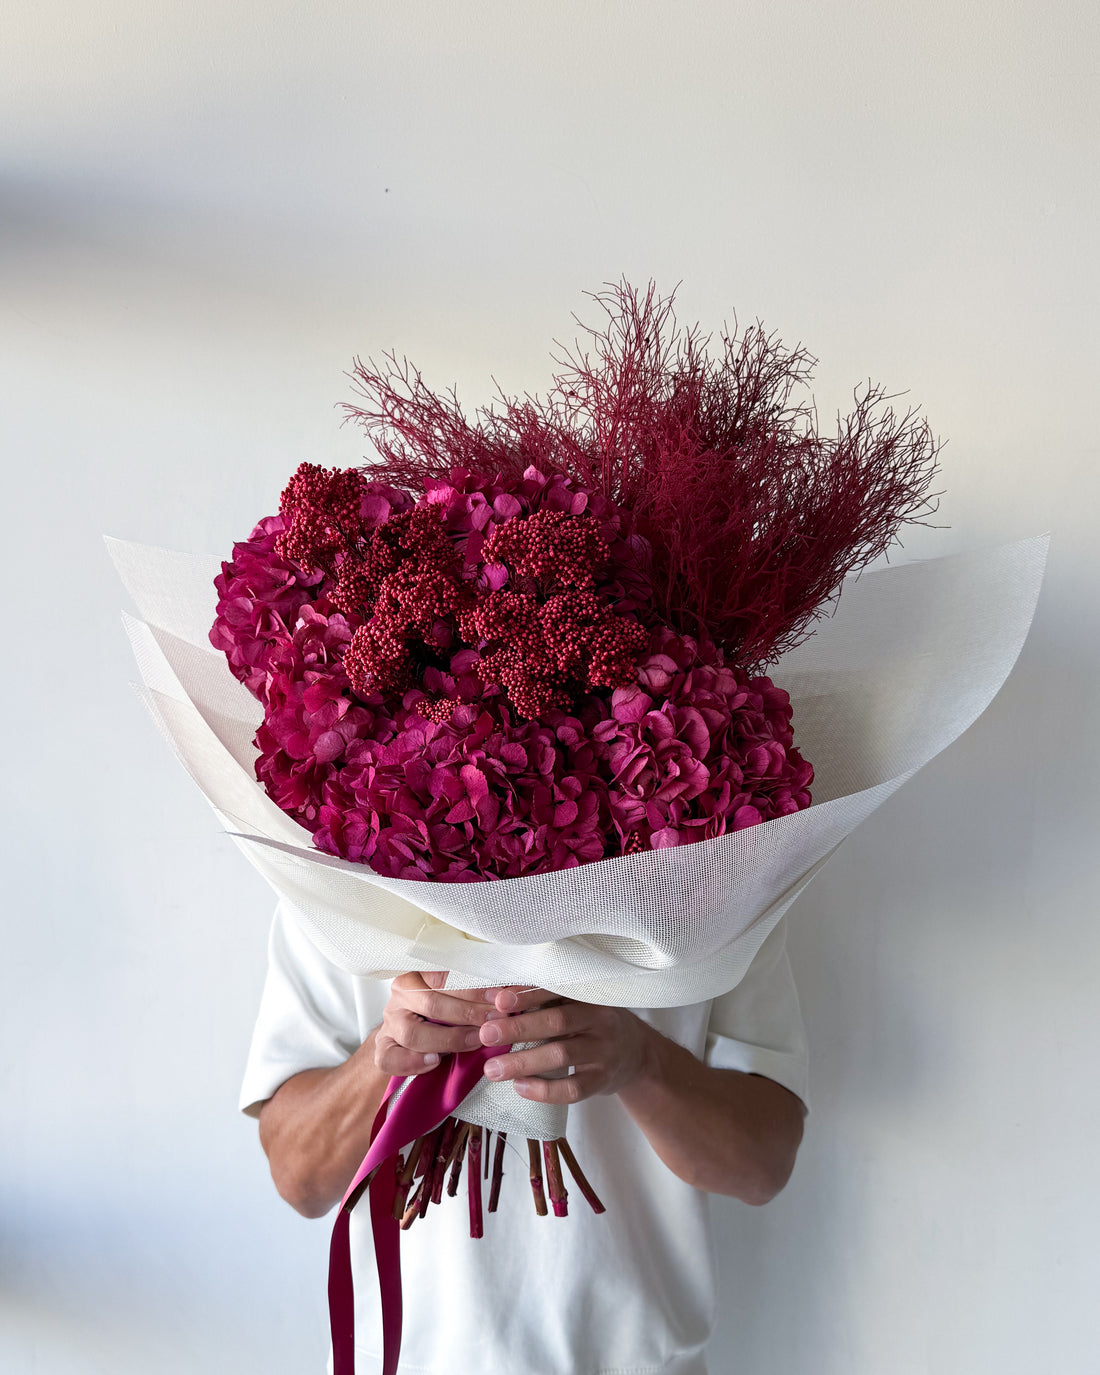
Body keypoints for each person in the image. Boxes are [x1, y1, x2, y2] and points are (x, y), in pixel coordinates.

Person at [242, 900, 809, 1375]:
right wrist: (389, 1055)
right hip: (406, 1356)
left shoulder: (724, 873)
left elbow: (762, 1166)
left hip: (637, 1359)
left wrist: (641, 1060)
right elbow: (300, 1180)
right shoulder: (335, 891)